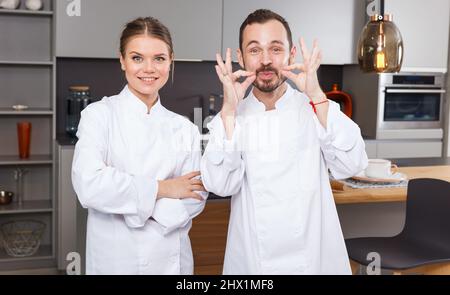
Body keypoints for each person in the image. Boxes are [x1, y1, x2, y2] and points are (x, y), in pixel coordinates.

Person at [201, 9, 368, 274]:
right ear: (242, 58)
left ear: (291, 55)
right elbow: (220, 184)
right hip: (254, 263)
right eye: (254, 50)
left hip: (313, 261)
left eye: (275, 49)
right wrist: (229, 112)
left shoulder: (314, 106)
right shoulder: (232, 116)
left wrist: (316, 94)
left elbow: (352, 164)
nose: (266, 60)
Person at [72, 17, 208, 275]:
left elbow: (195, 197)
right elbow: (89, 186)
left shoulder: (185, 128)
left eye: (159, 58)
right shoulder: (99, 115)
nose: (149, 68)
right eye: (137, 58)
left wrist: (133, 206)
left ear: (171, 61)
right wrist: (164, 188)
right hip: (115, 259)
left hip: (171, 260)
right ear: (122, 60)